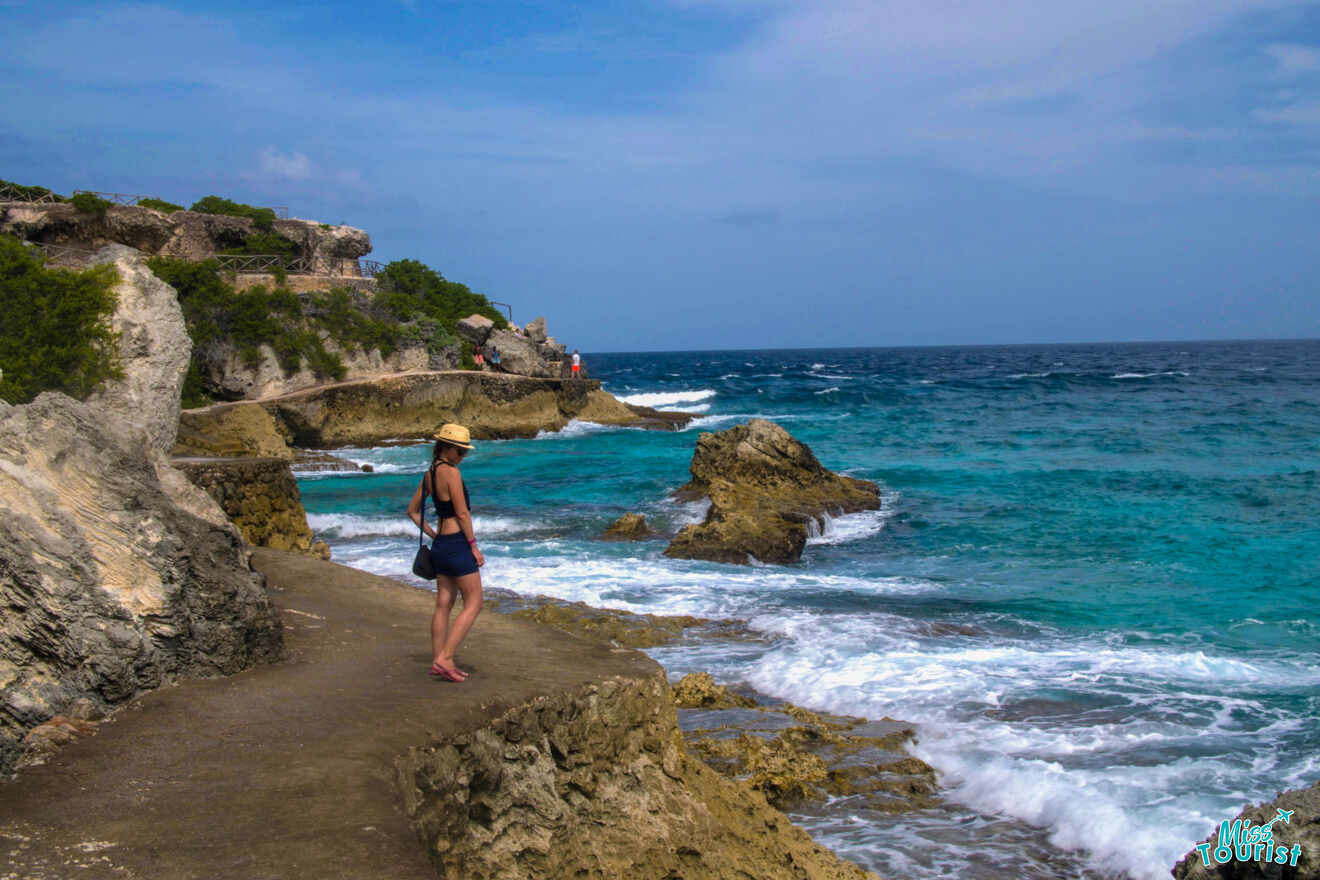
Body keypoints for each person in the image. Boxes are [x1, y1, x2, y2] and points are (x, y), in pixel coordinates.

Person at [407, 423, 483, 682]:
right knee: (474, 603)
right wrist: (473, 546)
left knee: (443, 604)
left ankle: (438, 661)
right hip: (457, 545)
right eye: (459, 452)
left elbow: (413, 512)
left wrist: (433, 535)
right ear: (445, 448)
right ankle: (446, 658)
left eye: (465, 452)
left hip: (440, 546)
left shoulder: (430, 473)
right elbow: (462, 513)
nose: (463, 457)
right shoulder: (451, 474)